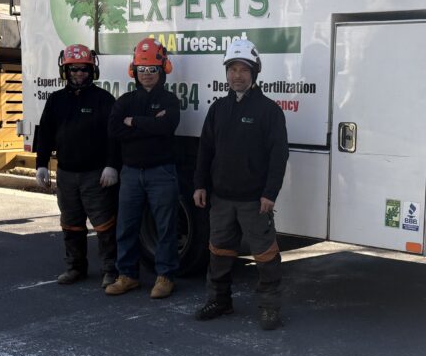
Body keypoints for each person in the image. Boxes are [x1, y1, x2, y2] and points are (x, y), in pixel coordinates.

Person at [192, 38, 289, 330]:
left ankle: (269, 307)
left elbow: (278, 156)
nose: (237, 75)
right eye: (232, 68)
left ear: (254, 72)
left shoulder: (269, 111)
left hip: (254, 202)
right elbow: (205, 150)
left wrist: (270, 193)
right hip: (221, 199)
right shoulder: (218, 109)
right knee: (219, 251)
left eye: (243, 69)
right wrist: (200, 185)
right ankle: (220, 301)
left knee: (266, 256)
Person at [35, 44, 120, 288]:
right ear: (65, 71)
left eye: (84, 69)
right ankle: (75, 267)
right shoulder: (56, 100)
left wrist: (111, 166)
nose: (79, 74)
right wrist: (41, 164)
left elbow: (114, 137)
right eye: (73, 69)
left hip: (96, 175)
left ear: (92, 71)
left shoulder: (104, 100)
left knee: (104, 225)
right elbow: (45, 133)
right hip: (66, 175)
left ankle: (110, 270)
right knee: (70, 222)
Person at [105, 37, 182, 299]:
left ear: (163, 71)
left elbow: (166, 128)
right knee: (126, 226)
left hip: (162, 172)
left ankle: (165, 276)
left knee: (165, 227)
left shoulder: (170, 101)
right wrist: (148, 124)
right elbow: (114, 130)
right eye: (142, 70)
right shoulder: (124, 100)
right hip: (131, 173)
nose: (147, 75)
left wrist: (133, 123)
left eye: (152, 70)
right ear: (133, 72)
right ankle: (127, 275)